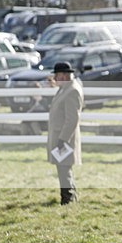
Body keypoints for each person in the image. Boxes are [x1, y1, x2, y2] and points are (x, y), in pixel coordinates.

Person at [47, 62, 83, 204]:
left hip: (64, 137)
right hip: (60, 135)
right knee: (62, 167)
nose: (55, 77)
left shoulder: (72, 91)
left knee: (64, 167)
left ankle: (68, 198)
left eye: (57, 75)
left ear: (64, 75)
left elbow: (72, 119)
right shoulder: (64, 89)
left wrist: (63, 139)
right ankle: (69, 195)